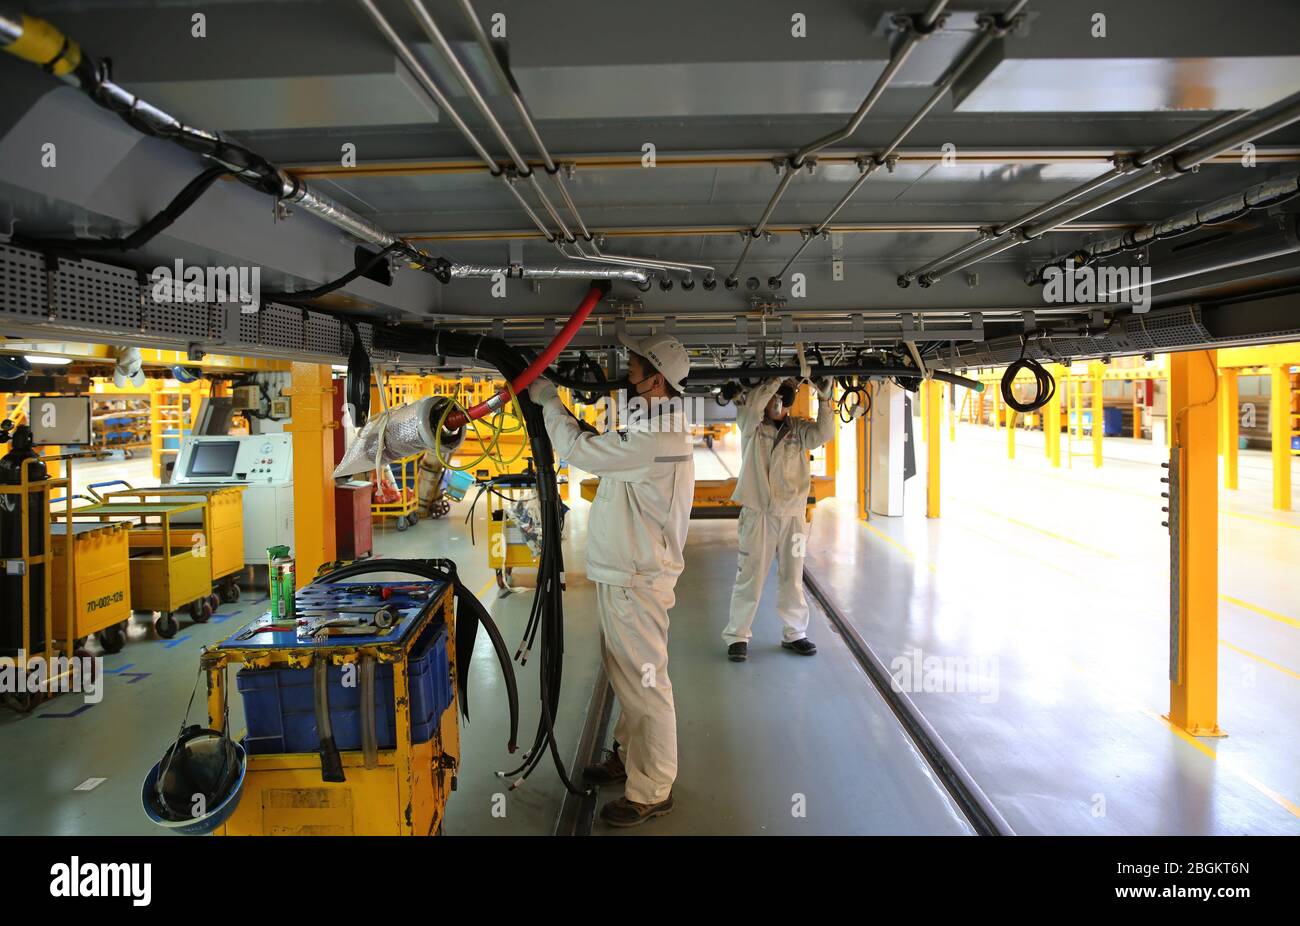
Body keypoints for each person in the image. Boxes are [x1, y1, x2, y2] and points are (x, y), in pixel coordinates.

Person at [527, 331, 694, 827]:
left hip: (636, 578)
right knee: (627, 673)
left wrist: (547, 402)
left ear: (656, 381)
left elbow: (581, 452)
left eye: (634, 369)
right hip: (628, 573)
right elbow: (603, 444)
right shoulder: (654, 426)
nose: (627, 374)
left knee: (646, 684)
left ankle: (653, 788)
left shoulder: (655, 438)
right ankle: (629, 756)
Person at [722, 377, 836, 662]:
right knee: (750, 575)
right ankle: (737, 636)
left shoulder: (799, 429)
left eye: (781, 400)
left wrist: (824, 400)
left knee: (793, 575)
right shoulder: (752, 426)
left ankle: (795, 633)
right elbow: (751, 410)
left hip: (793, 516)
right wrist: (775, 380)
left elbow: (825, 433)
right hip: (758, 513)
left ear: (788, 403)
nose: (776, 404)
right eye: (772, 399)